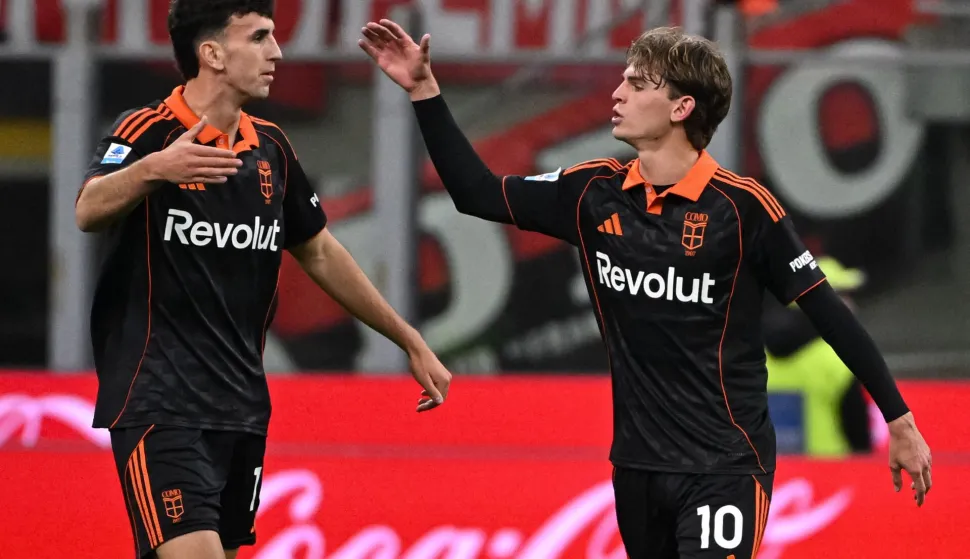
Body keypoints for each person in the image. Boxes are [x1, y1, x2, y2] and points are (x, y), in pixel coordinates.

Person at [359, 20, 933, 559]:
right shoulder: (591, 192)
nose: (617, 92)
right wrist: (424, 91)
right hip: (637, 468)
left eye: (637, 83)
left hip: (725, 465)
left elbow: (830, 314)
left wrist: (899, 420)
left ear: (682, 107)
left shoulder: (744, 209)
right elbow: (476, 193)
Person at [75, 2, 452, 558]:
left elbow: (320, 251)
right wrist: (154, 169)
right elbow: (88, 209)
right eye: (260, 37)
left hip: (242, 404)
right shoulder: (149, 131)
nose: (277, 53)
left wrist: (408, 338)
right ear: (212, 53)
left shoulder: (271, 148)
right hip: (159, 401)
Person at [764, 257, 873, 456]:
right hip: (832, 477)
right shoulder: (839, 359)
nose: (853, 306)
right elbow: (860, 440)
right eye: (844, 296)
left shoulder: (753, 352)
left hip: (771, 480)